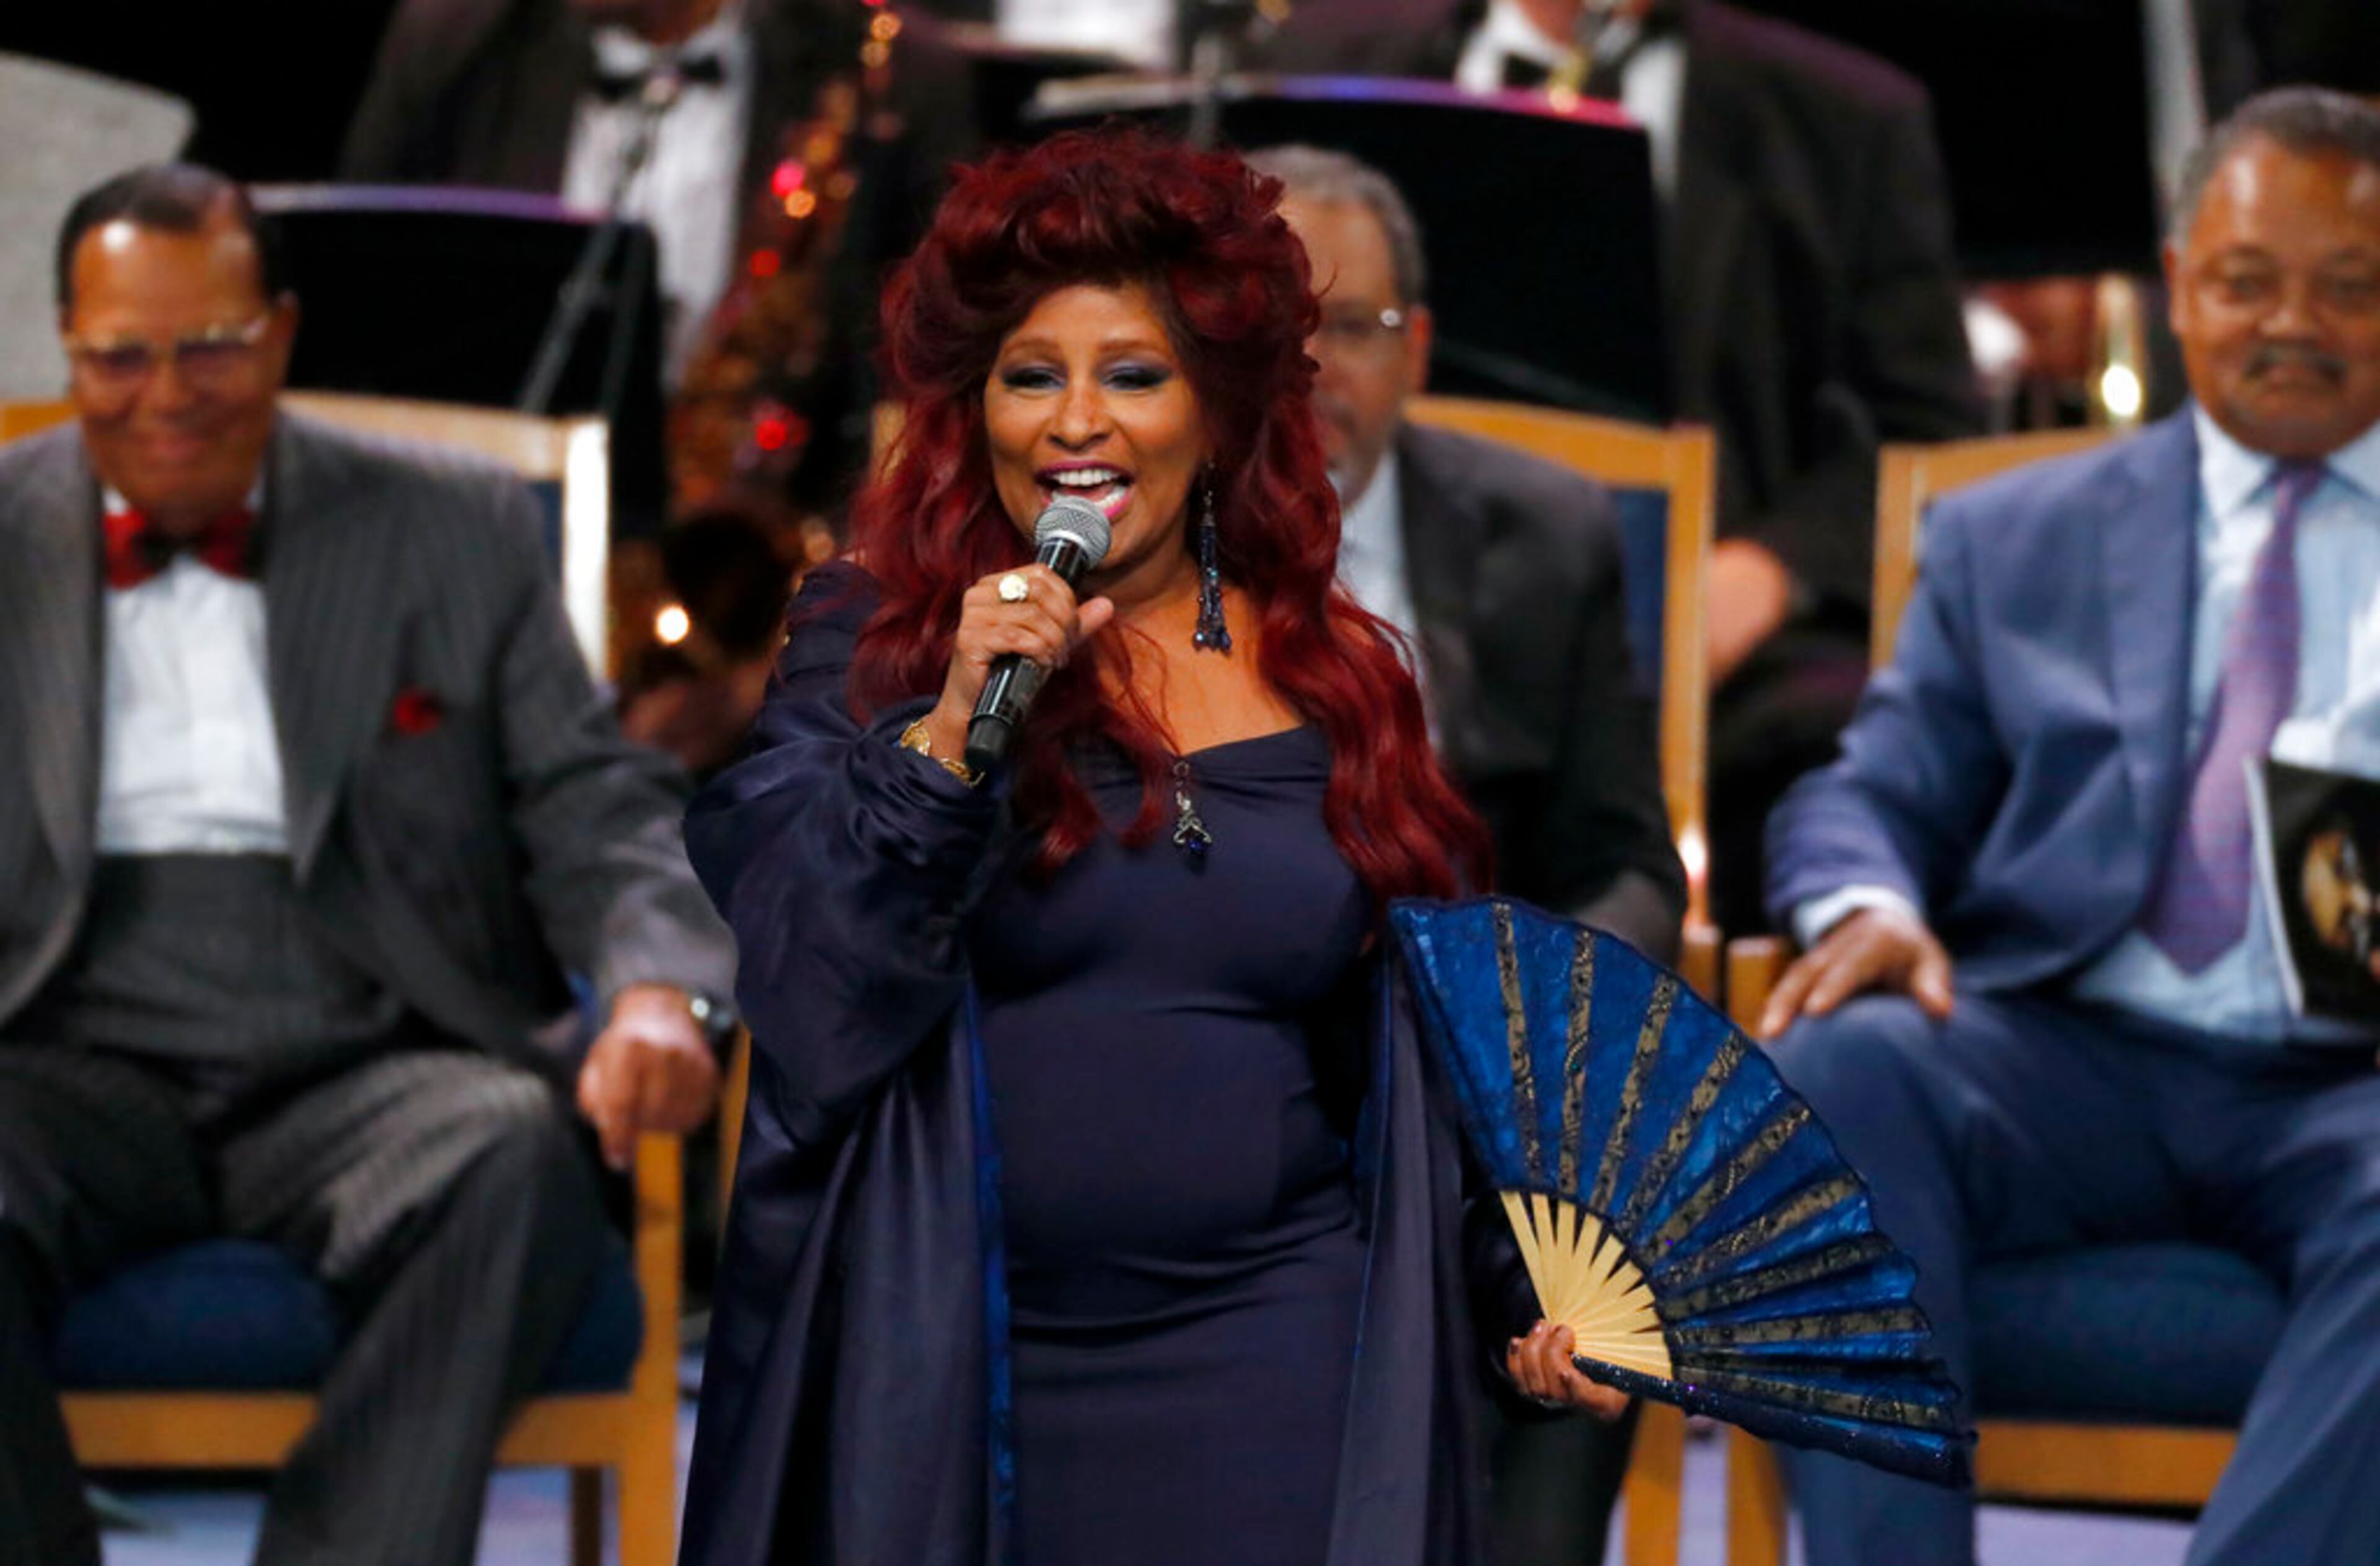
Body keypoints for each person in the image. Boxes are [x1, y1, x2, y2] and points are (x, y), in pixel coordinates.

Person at [677, 128, 1622, 1566]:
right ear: (972, 408)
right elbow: (814, 991)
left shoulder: (1339, 673)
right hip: (950, 1368)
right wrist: (953, 735)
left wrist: (1519, 1294)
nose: (1077, 424)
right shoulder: (874, 646)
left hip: (1278, 1350)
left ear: (1221, 413)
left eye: (1132, 374)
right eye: (1030, 376)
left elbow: (1419, 1072)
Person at [0, 164, 739, 1566]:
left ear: (281, 333)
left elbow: (595, 801)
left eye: (211, 346)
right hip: (59, 1050)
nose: (167, 395)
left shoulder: (453, 525)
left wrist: (659, 992)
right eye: (121, 356)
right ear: (68, 349)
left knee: (519, 1161)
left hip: (373, 1055)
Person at [1757, 87, 2380, 1565]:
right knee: (1845, 1060)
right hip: (2069, 1048)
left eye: (2351, 287)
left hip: (2353, 1082)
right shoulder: (2019, 531)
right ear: (2177, 285)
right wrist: (1870, 907)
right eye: (2248, 280)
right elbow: (1870, 787)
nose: (2293, 324)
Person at [1253, 0, 1982, 933]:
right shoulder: (1323, 57)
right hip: (1369, 554)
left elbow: (1926, 429)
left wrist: (1773, 568)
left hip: (1721, 636)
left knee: (1819, 745)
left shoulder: (1844, 113)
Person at [1250, 141, 1678, 1566]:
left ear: (1417, 349)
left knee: (1584, 1217)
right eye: (1277, 328)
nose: (1315, 368)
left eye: (1354, 326)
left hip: (1490, 1080)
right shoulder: (1138, 539)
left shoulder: (1546, 535)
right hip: (1239, 1054)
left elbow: (1632, 860)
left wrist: (1536, 1010)